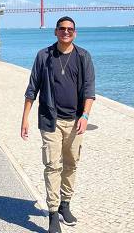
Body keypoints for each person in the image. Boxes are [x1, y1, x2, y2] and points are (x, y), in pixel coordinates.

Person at [21, 16, 95, 233]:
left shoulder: (83, 56)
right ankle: (53, 213)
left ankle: (65, 204)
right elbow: (32, 89)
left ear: (75, 32)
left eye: (70, 29)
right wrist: (25, 118)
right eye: (62, 28)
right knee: (53, 166)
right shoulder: (44, 56)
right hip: (50, 120)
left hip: (75, 121)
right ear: (55, 31)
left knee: (71, 164)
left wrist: (85, 116)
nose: (66, 32)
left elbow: (90, 90)